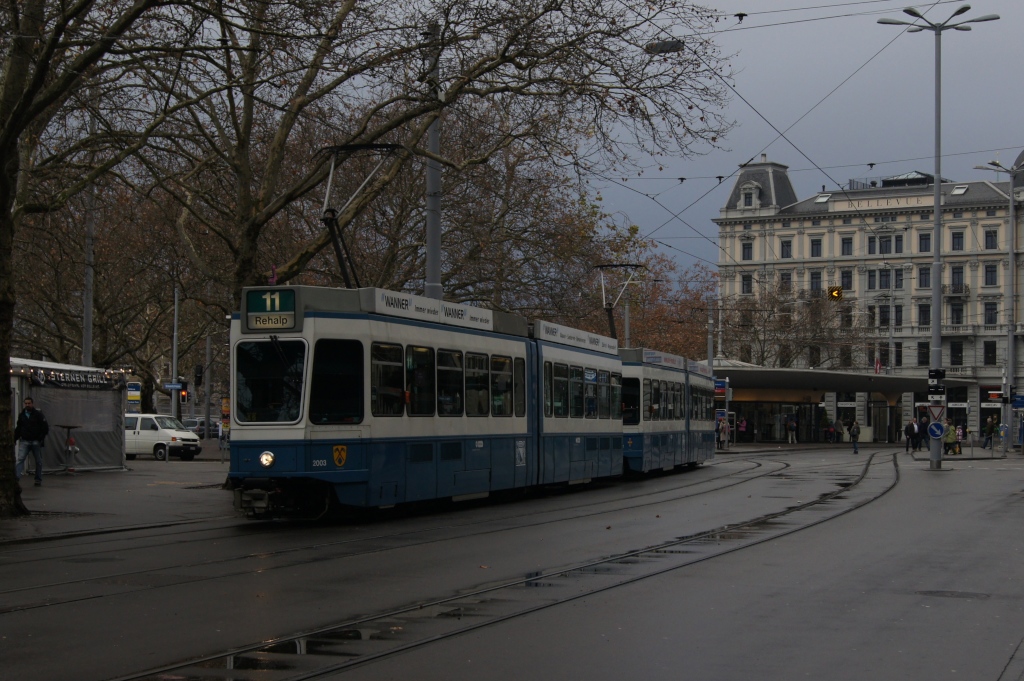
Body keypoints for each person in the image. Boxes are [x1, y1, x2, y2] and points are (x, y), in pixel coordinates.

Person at [15, 396, 49, 487]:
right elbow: (18, 428)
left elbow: (45, 427)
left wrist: (40, 438)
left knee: (38, 461)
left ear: (32, 404)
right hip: (25, 440)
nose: (27, 405)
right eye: (25, 403)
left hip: (35, 441)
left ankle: (38, 479)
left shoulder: (38, 414)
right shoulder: (22, 415)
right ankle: (16, 478)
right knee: (20, 459)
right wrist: (15, 438)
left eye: (29, 403)